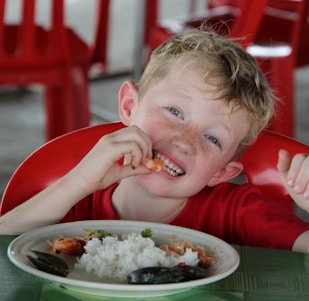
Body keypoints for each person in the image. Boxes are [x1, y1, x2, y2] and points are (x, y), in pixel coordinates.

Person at [1, 29, 309, 251]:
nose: (185, 141)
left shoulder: (239, 213)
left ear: (221, 173)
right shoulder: (77, 200)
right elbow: (6, 242)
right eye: (175, 111)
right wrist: (77, 183)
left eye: (213, 139)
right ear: (129, 107)